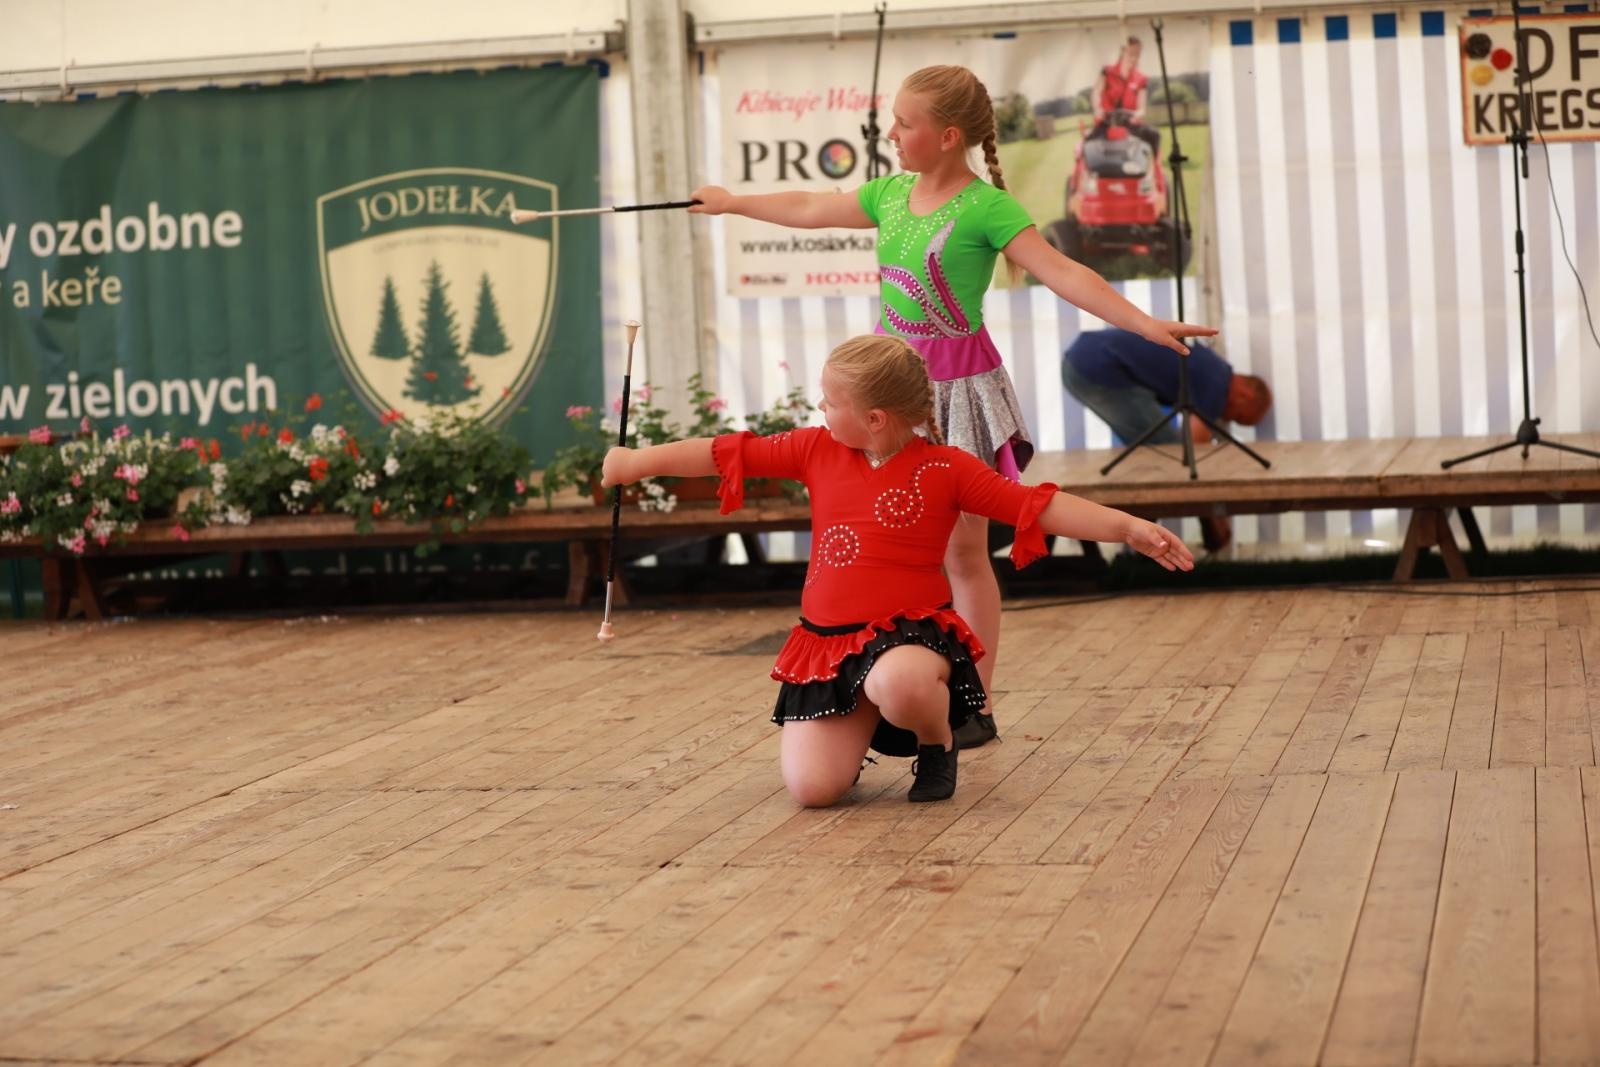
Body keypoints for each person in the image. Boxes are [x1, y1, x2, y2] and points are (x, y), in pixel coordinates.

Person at [689, 64, 1215, 751]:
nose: (894, 135)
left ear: (947, 135)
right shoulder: (890, 192)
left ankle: (976, 701)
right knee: (895, 541)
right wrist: (732, 202)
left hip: (960, 392)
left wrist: (1147, 324)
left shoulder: (986, 207)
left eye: (905, 124)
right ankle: (888, 681)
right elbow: (813, 208)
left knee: (964, 552)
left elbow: (1065, 272)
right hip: (888, 395)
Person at [601, 335, 1194, 808]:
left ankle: (936, 743)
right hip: (827, 646)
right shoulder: (815, 449)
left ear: (876, 417)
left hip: (906, 636)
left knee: (901, 684)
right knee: (813, 791)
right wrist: (634, 463)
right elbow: (724, 452)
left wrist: (1128, 527)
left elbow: (1035, 504)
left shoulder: (948, 467)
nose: (820, 410)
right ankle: (852, 738)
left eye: (831, 402)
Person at [1062, 327, 1273, 551]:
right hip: (1097, 365)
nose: (1227, 418)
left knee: (1156, 454)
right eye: (1238, 416)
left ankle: (1139, 536)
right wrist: (1212, 507)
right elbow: (1191, 453)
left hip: (1085, 359)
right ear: (1244, 395)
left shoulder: (1214, 368)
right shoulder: (1217, 385)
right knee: (1169, 457)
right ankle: (1171, 532)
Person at [1091, 36, 1161, 152]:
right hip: (1107, 122)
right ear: (1123, 51)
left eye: (1138, 54)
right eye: (1131, 52)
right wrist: (1097, 109)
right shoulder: (1107, 72)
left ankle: (1156, 168)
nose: (1135, 57)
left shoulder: (1141, 79)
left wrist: (1137, 115)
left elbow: (1142, 109)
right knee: (1089, 144)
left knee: (1154, 134)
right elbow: (1096, 93)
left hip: (1129, 123)